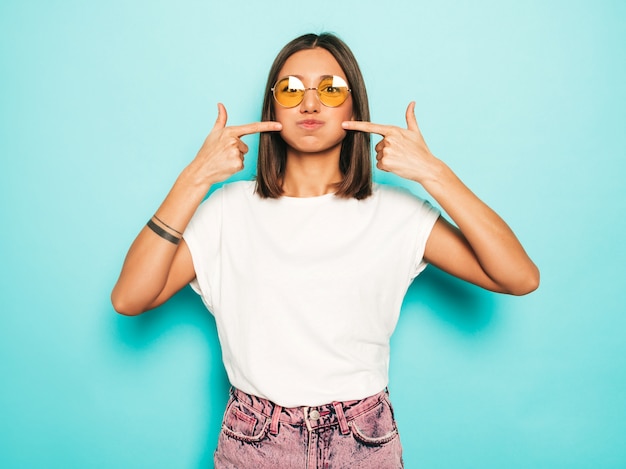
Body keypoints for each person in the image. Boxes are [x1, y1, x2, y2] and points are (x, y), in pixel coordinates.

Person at [111, 32, 539, 469]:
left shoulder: (396, 213)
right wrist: (193, 180)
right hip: (256, 441)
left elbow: (518, 276)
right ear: (272, 104)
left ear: (354, 105)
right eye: (292, 89)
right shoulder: (226, 210)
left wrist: (433, 173)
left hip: (363, 443)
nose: (310, 104)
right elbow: (130, 298)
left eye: (330, 89)